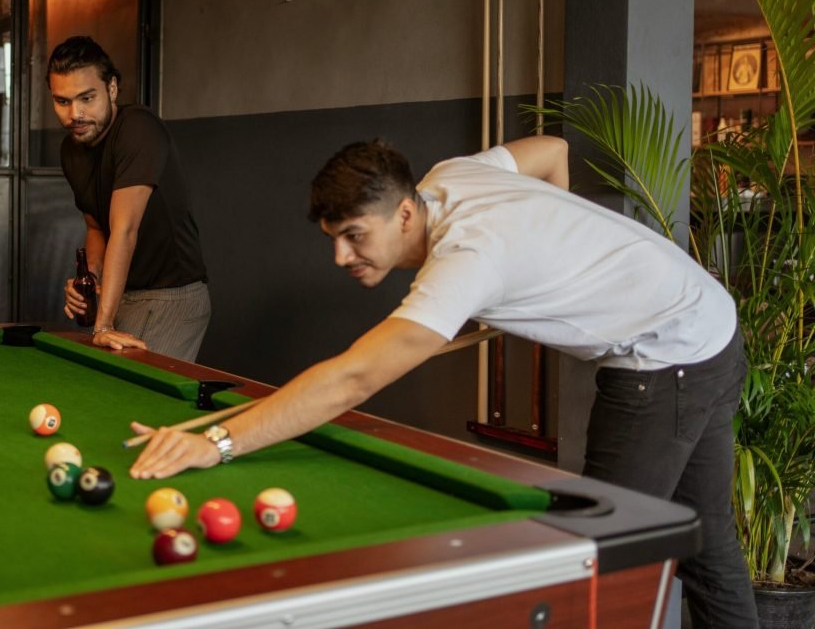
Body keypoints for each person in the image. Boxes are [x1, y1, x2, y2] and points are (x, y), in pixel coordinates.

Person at [128, 135, 755, 628]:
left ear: (404, 212)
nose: (341, 257)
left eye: (354, 236)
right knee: (711, 542)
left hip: (665, 358)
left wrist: (218, 442)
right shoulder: (447, 179)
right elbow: (551, 151)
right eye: (333, 238)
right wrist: (552, 251)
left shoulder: (465, 262)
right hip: (712, 321)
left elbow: (351, 380)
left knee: (599, 563)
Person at [50, 36, 210, 361]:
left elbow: (124, 230)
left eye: (86, 98)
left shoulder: (138, 128)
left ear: (111, 89)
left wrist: (102, 324)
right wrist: (90, 279)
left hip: (170, 295)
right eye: (62, 101)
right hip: (123, 293)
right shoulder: (71, 150)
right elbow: (96, 227)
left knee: (131, 393)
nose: (74, 114)